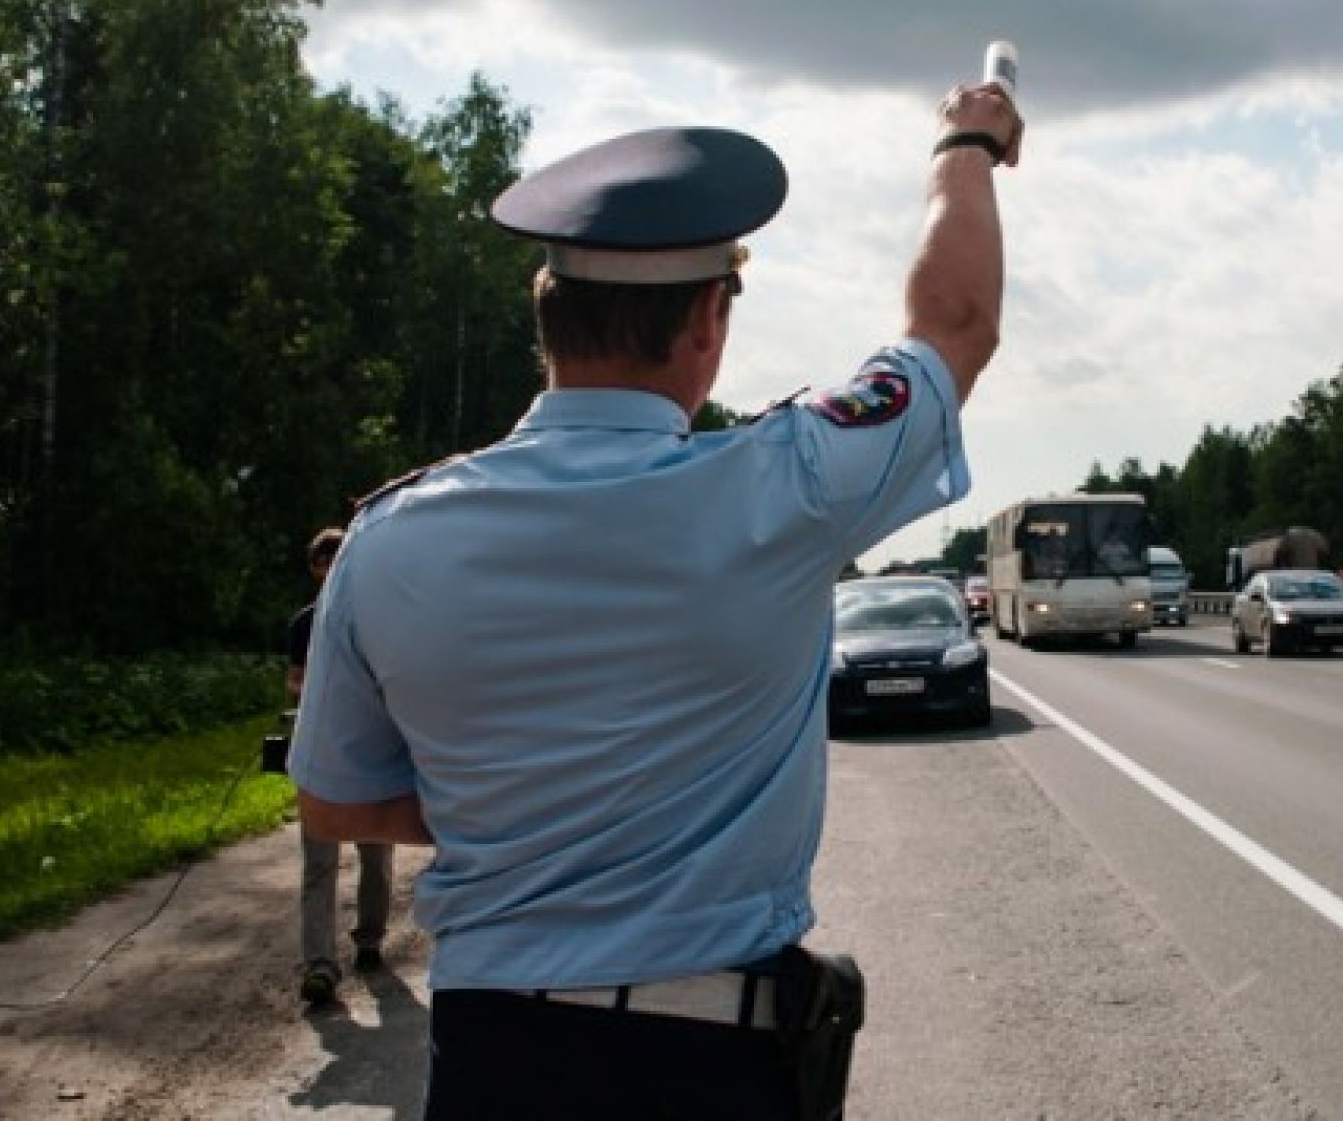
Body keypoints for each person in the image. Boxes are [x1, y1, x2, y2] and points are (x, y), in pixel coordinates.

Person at [289, 80, 1021, 1118]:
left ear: (549, 317)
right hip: (710, 1063)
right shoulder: (785, 487)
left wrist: (511, 816)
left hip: (492, 1060)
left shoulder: (390, 536)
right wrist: (968, 140)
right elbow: (954, 322)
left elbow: (334, 801)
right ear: (706, 325)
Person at [286, 527, 395, 1007]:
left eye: (337, 563)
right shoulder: (304, 624)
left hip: (373, 754)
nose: (330, 573)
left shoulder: (380, 620)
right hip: (321, 754)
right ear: (314, 571)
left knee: (377, 858)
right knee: (319, 864)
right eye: (322, 565)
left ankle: (369, 940)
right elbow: (293, 680)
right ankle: (319, 966)